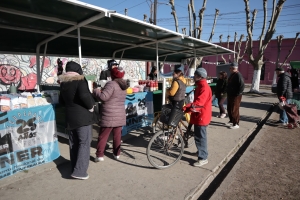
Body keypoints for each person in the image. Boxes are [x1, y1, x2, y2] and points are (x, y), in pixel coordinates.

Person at [58, 61, 96, 180]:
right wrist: (91, 107)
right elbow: (84, 96)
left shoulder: (63, 82)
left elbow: (61, 101)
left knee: (73, 143)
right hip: (82, 118)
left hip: (70, 117)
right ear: (78, 70)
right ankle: (80, 171)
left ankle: (74, 166)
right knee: (84, 142)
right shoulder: (80, 80)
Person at [93, 67, 128, 162]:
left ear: (112, 75)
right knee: (117, 136)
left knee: (103, 136)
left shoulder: (111, 84)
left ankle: (100, 155)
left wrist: (96, 90)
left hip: (109, 115)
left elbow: (104, 97)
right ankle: (117, 153)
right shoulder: (124, 85)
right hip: (119, 114)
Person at [183, 68, 212, 167]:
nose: (193, 77)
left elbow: (199, 103)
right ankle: (200, 151)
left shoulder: (204, 87)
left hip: (202, 115)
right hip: (198, 114)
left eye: (195, 75)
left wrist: (187, 107)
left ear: (200, 76)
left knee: (201, 137)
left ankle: (203, 158)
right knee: (198, 136)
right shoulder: (200, 85)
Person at [226, 62, 245, 129]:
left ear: (233, 68)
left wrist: (238, 93)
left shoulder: (238, 75)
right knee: (229, 108)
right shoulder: (232, 74)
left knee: (235, 109)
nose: (229, 69)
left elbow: (242, 86)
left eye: (230, 68)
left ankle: (236, 123)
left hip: (236, 96)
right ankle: (231, 120)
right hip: (230, 95)